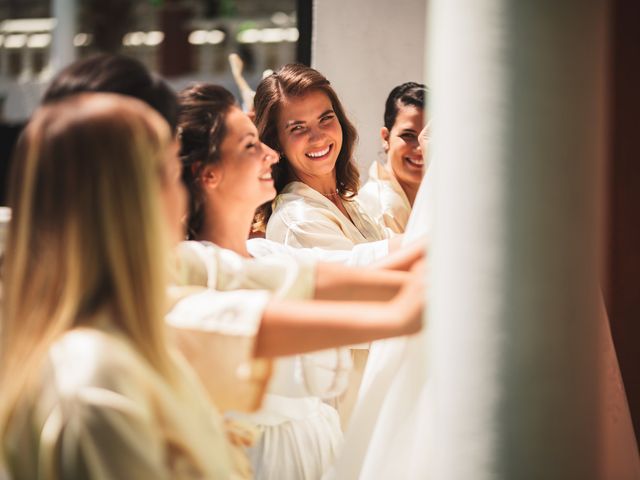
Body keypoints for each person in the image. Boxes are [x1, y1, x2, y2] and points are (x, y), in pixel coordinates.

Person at [177, 82, 425, 480]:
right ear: (208, 174)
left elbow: (365, 265)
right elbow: (382, 312)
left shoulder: (262, 256)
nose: (270, 155)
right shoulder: (197, 271)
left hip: (323, 457)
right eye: (249, 145)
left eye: (326, 118)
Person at [0, 93, 249, 479]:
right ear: (130, 204)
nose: (184, 193)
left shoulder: (117, 347)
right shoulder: (94, 380)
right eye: (170, 174)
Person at [253, 63, 398, 251]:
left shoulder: (348, 202)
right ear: (276, 143)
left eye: (325, 119)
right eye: (298, 128)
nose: (319, 137)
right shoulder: (298, 219)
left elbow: (401, 245)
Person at [358, 82, 429, 234]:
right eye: (408, 135)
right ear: (385, 138)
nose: (420, 148)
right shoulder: (382, 208)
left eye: (428, 137)